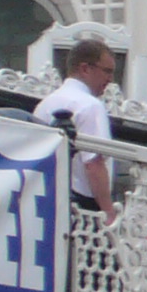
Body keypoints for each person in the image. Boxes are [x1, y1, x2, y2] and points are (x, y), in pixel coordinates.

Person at [33, 27, 121, 206]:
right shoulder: (90, 106)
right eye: (107, 71)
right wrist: (108, 211)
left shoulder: (43, 106)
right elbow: (94, 164)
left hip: (47, 199)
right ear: (85, 69)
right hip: (82, 207)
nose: (111, 79)